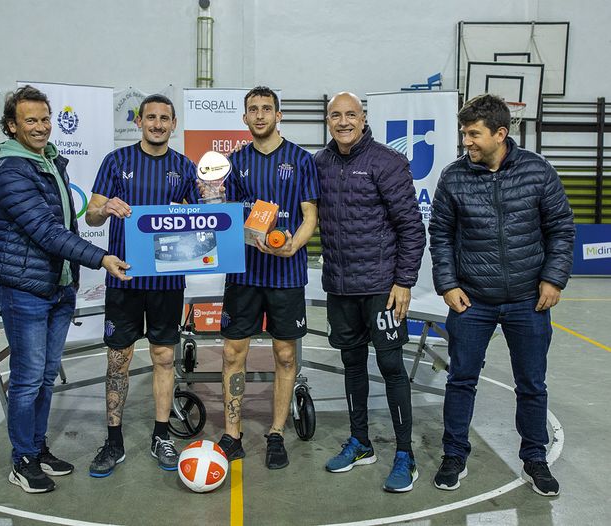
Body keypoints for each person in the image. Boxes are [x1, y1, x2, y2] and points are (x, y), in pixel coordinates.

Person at [0, 85, 130, 493]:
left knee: (46, 377)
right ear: (11, 126)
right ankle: (22, 460)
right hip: (24, 288)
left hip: (58, 284)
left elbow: (64, 225)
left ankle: (36, 447)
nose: (41, 126)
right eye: (30, 120)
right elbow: (46, 232)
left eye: (45, 119)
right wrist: (101, 257)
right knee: (28, 379)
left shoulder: (48, 161)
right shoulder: (11, 170)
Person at [429, 93, 574, 496]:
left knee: (532, 384)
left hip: (529, 300)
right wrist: (448, 284)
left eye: (473, 134)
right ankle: (454, 455)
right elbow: (440, 235)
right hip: (472, 301)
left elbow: (561, 228)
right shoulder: (453, 177)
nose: (466, 142)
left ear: (500, 133)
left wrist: (553, 279)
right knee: (461, 380)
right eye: (464, 134)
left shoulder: (537, 171)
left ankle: (535, 458)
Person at [314, 92, 426, 492]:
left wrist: (404, 281)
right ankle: (360, 442)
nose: (343, 122)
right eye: (336, 115)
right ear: (328, 120)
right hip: (340, 287)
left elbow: (412, 228)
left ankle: (405, 454)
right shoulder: (319, 163)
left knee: (392, 366)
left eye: (351, 114)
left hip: (382, 288)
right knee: (353, 365)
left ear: (363, 119)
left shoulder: (387, 162)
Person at [85, 94, 198, 477]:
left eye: (165, 118)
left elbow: (203, 217)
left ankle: (161, 436)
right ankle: (114, 441)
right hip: (124, 277)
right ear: (139, 121)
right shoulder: (116, 162)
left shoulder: (184, 167)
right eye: (151, 117)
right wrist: (105, 208)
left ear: (174, 124)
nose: (158, 124)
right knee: (118, 359)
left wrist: (200, 208)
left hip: (167, 280)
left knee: (164, 358)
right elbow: (92, 215)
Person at [216, 86, 319, 470]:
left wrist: (294, 245)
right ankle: (232, 433)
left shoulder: (301, 160)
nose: (259, 115)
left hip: (286, 274)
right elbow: (225, 216)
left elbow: (310, 215)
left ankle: (276, 433)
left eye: (266, 109)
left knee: (285, 355)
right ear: (244, 117)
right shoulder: (233, 163)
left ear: (279, 115)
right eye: (253, 110)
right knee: (233, 354)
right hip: (243, 273)